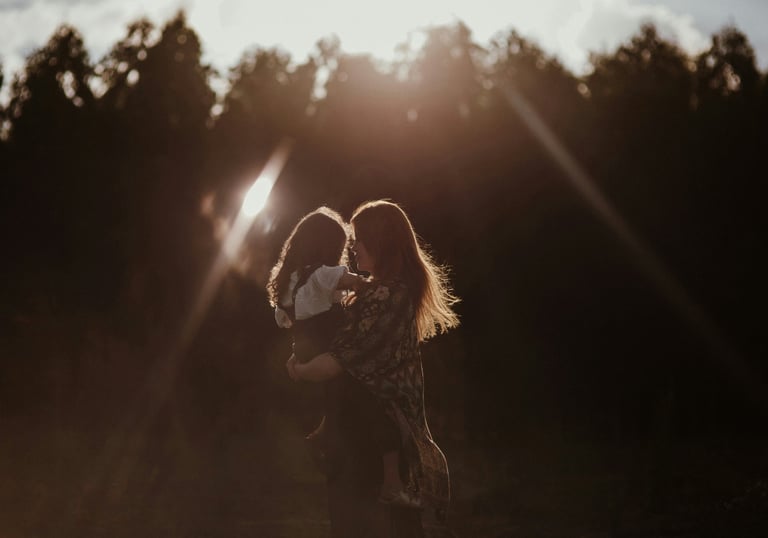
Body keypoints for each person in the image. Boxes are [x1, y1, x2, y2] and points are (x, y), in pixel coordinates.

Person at [286, 200, 460, 536]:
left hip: (372, 443)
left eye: (359, 241)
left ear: (381, 242)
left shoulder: (388, 297)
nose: (352, 250)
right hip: (355, 438)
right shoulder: (372, 293)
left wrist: (299, 370)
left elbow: (338, 361)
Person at [267, 206, 407, 502]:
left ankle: (324, 430)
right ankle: (392, 479)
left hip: (303, 349)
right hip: (328, 349)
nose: (348, 252)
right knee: (372, 405)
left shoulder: (287, 280)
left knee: (337, 401)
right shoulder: (322, 275)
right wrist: (371, 285)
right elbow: (358, 283)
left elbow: (286, 321)